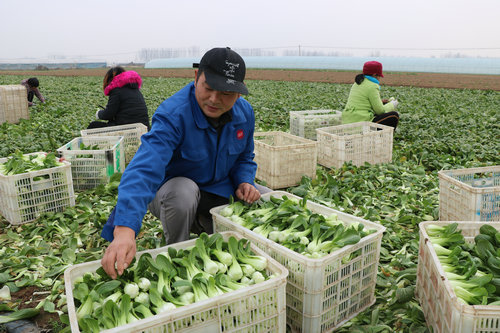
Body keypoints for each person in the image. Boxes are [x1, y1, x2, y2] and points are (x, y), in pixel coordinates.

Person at [100, 47, 264, 279]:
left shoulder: (244, 114)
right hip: (172, 193)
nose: (215, 99)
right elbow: (145, 169)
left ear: (238, 94)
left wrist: (244, 181)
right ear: (196, 78)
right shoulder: (174, 114)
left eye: (226, 93)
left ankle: (215, 230)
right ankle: (177, 254)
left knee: (263, 196)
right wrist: (125, 230)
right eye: (208, 88)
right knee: (183, 192)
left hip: (218, 188)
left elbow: (245, 157)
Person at [342, 61, 400, 129]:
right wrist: (392, 104)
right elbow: (380, 111)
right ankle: (380, 138)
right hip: (361, 123)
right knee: (394, 116)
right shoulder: (372, 86)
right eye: (379, 76)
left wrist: (381, 102)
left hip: (348, 120)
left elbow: (363, 103)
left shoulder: (358, 83)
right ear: (375, 75)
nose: (379, 78)